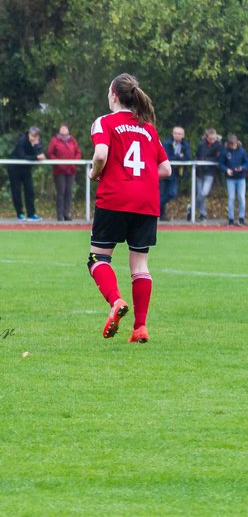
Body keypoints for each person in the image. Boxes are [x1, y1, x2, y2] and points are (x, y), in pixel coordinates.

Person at [86, 74, 170, 344]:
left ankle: (115, 301)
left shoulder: (105, 122)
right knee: (140, 265)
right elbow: (166, 169)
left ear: (113, 94)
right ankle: (140, 327)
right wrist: (142, 180)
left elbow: (100, 154)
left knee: (98, 259)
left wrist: (94, 173)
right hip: (146, 202)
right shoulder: (148, 129)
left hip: (115, 198)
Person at [8, 126, 46, 220]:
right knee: (16, 191)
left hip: (26, 169)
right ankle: (19, 213)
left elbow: (40, 154)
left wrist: (35, 146)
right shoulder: (22, 141)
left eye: (35, 136)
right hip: (14, 168)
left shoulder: (38, 142)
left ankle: (31, 214)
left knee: (30, 190)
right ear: (29, 134)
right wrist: (36, 158)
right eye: (32, 135)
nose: (33, 138)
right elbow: (22, 157)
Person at [47, 123, 82, 222]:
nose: (63, 130)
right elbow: (50, 153)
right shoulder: (55, 141)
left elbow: (78, 152)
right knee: (61, 192)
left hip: (71, 170)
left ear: (68, 130)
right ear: (59, 130)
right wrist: (59, 162)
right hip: (59, 171)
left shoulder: (72, 140)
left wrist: (75, 162)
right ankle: (59, 215)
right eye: (61, 128)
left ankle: (67, 213)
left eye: (65, 128)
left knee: (69, 192)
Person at [159, 126, 191, 221]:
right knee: (162, 193)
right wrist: (179, 156)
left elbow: (187, 158)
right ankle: (162, 215)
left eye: (179, 134)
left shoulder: (185, 144)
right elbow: (167, 157)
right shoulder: (167, 143)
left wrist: (178, 157)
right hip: (164, 172)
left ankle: (155, 206)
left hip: (175, 173)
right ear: (172, 134)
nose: (177, 135)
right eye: (175, 133)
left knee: (172, 193)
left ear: (183, 135)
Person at [194, 128, 222, 221]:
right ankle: (202, 214)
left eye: (214, 138)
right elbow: (197, 155)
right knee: (200, 193)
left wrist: (207, 160)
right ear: (206, 137)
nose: (213, 140)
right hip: (200, 172)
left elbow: (218, 158)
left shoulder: (218, 145)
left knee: (204, 193)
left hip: (210, 172)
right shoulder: (201, 144)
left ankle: (192, 208)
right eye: (211, 139)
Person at [219, 134, 247, 226]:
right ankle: (231, 218)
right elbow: (221, 164)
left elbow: (246, 163)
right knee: (231, 198)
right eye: (231, 144)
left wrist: (242, 168)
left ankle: (241, 218)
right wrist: (226, 170)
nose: (233, 146)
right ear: (228, 144)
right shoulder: (225, 152)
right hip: (230, 178)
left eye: (234, 144)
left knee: (241, 198)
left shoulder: (242, 151)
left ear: (237, 142)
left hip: (241, 178)